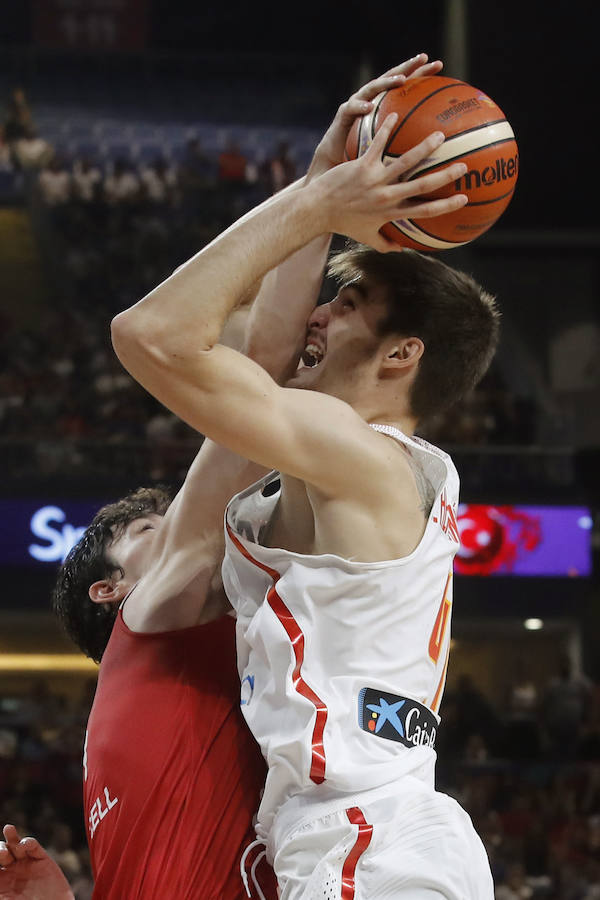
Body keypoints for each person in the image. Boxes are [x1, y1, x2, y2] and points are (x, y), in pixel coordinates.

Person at [109, 55, 498, 898]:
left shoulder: (359, 455)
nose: (320, 311)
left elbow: (153, 335)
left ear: (401, 355)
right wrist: (319, 182)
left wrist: (320, 204)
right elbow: (267, 354)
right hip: (373, 834)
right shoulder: (354, 466)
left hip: (370, 844)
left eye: (347, 305)